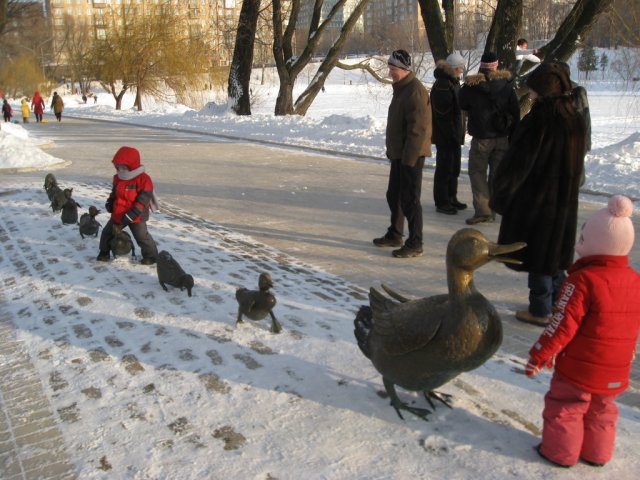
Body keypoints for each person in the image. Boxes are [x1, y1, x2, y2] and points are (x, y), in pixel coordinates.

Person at [524, 195, 640, 468]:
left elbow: (562, 324)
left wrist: (539, 353)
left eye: (584, 240)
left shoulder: (582, 280)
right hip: (616, 367)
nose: (578, 246)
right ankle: (597, 454)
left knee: (566, 406)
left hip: (579, 368)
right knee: (602, 410)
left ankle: (560, 454)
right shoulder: (634, 280)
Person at [491, 62, 586, 326]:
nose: (530, 95)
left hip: (537, 200)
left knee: (539, 255)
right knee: (555, 255)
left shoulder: (541, 120)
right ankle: (559, 303)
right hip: (563, 200)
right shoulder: (574, 117)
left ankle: (540, 309)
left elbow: (520, 163)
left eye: (533, 91)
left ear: (544, 92)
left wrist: (502, 193)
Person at [373, 49, 432, 258]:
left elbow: (419, 129)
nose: (390, 73)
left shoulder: (414, 91)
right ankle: (395, 234)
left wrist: (409, 158)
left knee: (409, 199)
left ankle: (416, 242)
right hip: (399, 154)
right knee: (394, 195)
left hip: (411, 156)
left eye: (393, 69)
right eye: (389, 68)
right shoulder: (401, 89)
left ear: (405, 69)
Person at [459, 52, 520, 225]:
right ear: (497, 65)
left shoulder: (472, 86)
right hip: (502, 137)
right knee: (496, 173)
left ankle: (483, 210)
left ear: (482, 65)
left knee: (477, 171)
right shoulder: (507, 86)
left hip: (481, 138)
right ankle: (493, 208)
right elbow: (515, 112)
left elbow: (461, 103)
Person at [97, 146, 159, 265]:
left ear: (132, 166)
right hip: (119, 214)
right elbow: (115, 193)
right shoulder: (117, 178)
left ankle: (151, 256)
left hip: (136, 216)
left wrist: (132, 214)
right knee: (107, 233)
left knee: (142, 236)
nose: (119, 170)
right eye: (118, 166)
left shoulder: (143, 179)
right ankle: (104, 252)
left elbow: (143, 200)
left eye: (123, 167)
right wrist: (110, 202)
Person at [430, 52, 467, 215]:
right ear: (455, 68)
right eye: (461, 67)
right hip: (446, 136)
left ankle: (452, 197)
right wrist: (452, 134)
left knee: (454, 167)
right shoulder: (443, 84)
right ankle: (442, 201)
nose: (462, 70)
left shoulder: (453, 82)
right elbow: (443, 114)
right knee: (445, 168)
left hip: (454, 134)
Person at [559, 62, 592, 153]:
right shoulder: (551, 92)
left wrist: (586, 144)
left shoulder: (577, 92)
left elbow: (585, 119)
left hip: (573, 146)